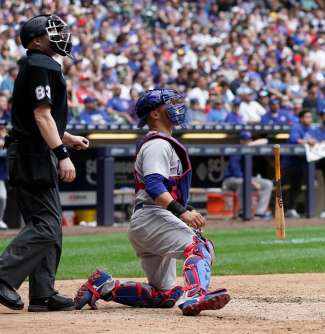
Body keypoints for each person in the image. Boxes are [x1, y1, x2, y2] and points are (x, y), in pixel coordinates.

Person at [74, 89, 230, 315]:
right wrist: (181, 212)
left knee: (166, 296)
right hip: (153, 217)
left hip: (149, 219)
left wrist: (184, 208)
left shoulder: (161, 142)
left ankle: (105, 285)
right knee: (200, 247)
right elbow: (154, 187)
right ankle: (196, 294)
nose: (177, 108)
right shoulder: (158, 144)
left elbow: (162, 189)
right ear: (154, 114)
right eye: (170, 104)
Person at [0, 14, 89, 312]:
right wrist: (63, 153)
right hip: (32, 154)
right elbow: (40, 116)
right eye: (53, 32)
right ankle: (0, 275)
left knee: (48, 226)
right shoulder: (41, 64)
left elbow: (38, 117)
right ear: (37, 40)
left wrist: (68, 136)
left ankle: (42, 293)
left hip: (28, 148)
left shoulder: (35, 64)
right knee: (47, 225)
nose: (61, 35)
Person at [222, 131, 273, 220]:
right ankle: (242, 211)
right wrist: (253, 183)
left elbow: (265, 140)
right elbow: (238, 174)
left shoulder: (250, 148)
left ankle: (259, 213)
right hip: (230, 180)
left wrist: (249, 145)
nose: (249, 141)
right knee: (243, 182)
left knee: (268, 184)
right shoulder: (236, 152)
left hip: (247, 178)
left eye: (250, 139)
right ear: (241, 141)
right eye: (247, 140)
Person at [281, 110, 316, 218]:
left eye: (310, 117)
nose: (309, 119)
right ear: (301, 118)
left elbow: (315, 140)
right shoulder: (296, 127)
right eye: (306, 117)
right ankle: (268, 208)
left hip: (301, 164)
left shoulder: (311, 129)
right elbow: (294, 139)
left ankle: (291, 209)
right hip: (289, 163)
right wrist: (308, 142)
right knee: (279, 185)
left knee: (296, 188)